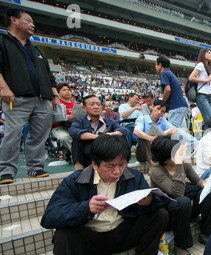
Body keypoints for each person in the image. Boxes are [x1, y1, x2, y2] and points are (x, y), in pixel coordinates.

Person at [40, 134, 169, 255]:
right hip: (93, 240)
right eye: (110, 166)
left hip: (123, 233)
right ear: (94, 164)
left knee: (160, 214)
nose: (117, 171)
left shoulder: (132, 176)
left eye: (122, 164)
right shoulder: (75, 181)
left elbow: (151, 207)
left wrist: (148, 202)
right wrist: (86, 208)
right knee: (63, 235)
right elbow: (49, 217)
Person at [0, 8, 60, 184]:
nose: (32, 24)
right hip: (16, 96)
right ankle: (6, 170)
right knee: (13, 132)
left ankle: (35, 168)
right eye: (28, 20)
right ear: (13, 20)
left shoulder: (36, 50)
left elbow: (49, 76)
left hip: (42, 98)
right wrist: (3, 88)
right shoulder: (3, 41)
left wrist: (54, 94)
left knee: (39, 135)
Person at [150, 136, 211, 255]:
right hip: (168, 211)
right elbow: (176, 193)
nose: (179, 155)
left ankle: (206, 233)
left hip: (183, 206)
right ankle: (181, 245)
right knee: (183, 201)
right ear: (164, 157)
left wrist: (204, 183)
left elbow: (196, 180)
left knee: (208, 192)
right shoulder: (156, 171)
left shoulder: (182, 163)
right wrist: (179, 164)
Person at [69, 95, 127, 170]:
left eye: (98, 104)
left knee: (122, 138)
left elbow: (123, 130)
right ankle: (79, 172)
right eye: (92, 104)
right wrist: (98, 137)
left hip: (107, 147)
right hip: (89, 149)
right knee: (76, 142)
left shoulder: (109, 121)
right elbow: (73, 131)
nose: (96, 107)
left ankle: (123, 168)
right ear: (84, 108)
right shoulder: (80, 121)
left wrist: (112, 134)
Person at [133, 100, 177, 165]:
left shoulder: (162, 120)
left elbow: (174, 128)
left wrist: (162, 133)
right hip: (143, 153)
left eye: (162, 111)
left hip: (157, 152)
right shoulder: (142, 119)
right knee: (142, 137)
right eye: (158, 108)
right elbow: (136, 131)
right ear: (153, 107)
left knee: (171, 136)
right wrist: (150, 138)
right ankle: (151, 163)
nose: (159, 112)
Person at [155, 55, 189, 129]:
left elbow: (167, 89)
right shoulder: (169, 72)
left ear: (160, 65)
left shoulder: (164, 73)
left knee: (173, 130)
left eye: (156, 65)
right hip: (180, 105)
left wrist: (163, 103)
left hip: (176, 105)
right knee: (177, 129)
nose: (155, 67)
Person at [51, 82, 78, 161]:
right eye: (64, 90)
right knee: (65, 137)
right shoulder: (55, 103)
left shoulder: (75, 105)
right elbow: (51, 117)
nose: (67, 92)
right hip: (59, 127)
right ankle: (77, 156)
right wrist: (66, 117)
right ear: (58, 92)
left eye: (68, 90)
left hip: (74, 127)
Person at [189, 48, 211, 124]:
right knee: (210, 121)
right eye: (209, 53)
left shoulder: (209, 67)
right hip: (202, 96)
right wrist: (207, 80)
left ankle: (207, 135)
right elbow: (191, 77)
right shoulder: (201, 65)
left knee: (210, 121)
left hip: (209, 96)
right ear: (203, 54)